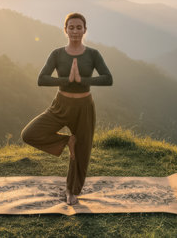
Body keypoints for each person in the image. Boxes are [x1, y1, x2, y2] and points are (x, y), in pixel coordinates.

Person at [21, 12, 113, 205]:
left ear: (85, 30)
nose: (75, 31)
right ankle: (67, 141)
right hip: (60, 105)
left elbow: (107, 78)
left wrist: (83, 80)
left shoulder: (93, 54)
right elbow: (42, 79)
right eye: (71, 27)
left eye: (79, 27)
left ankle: (72, 191)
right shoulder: (57, 54)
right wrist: (67, 80)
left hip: (84, 107)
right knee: (29, 133)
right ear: (65, 30)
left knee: (82, 153)